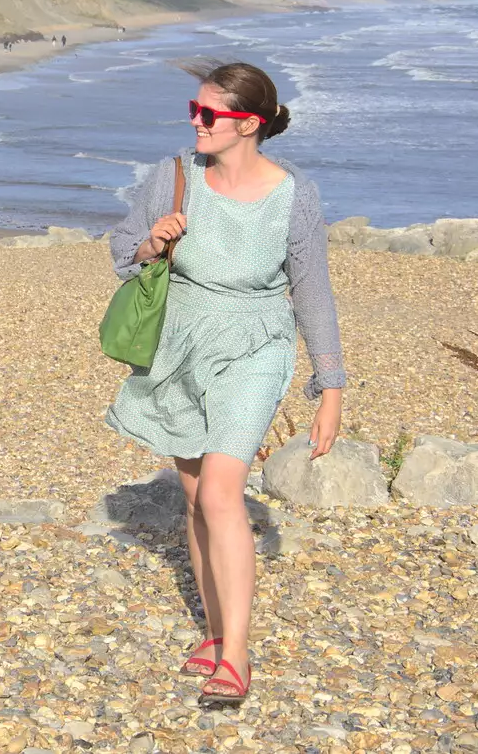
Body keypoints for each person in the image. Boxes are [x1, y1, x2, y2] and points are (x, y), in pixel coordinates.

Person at [105, 61, 346, 705]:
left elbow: (312, 290)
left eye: (207, 114)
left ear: (248, 124)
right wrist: (153, 243)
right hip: (180, 346)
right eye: (194, 108)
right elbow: (121, 249)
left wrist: (330, 388)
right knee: (192, 499)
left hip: (256, 349)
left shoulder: (296, 194)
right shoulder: (174, 176)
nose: (195, 121)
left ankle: (235, 658)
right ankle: (214, 633)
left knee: (219, 493)